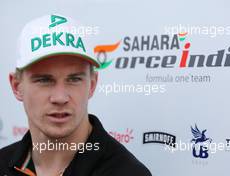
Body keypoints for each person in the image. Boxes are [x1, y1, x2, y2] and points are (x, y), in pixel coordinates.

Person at [0, 14, 152, 176]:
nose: (60, 98)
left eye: (74, 79)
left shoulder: (127, 172)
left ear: (92, 85)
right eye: (44, 80)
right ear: (17, 86)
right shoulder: (2, 161)